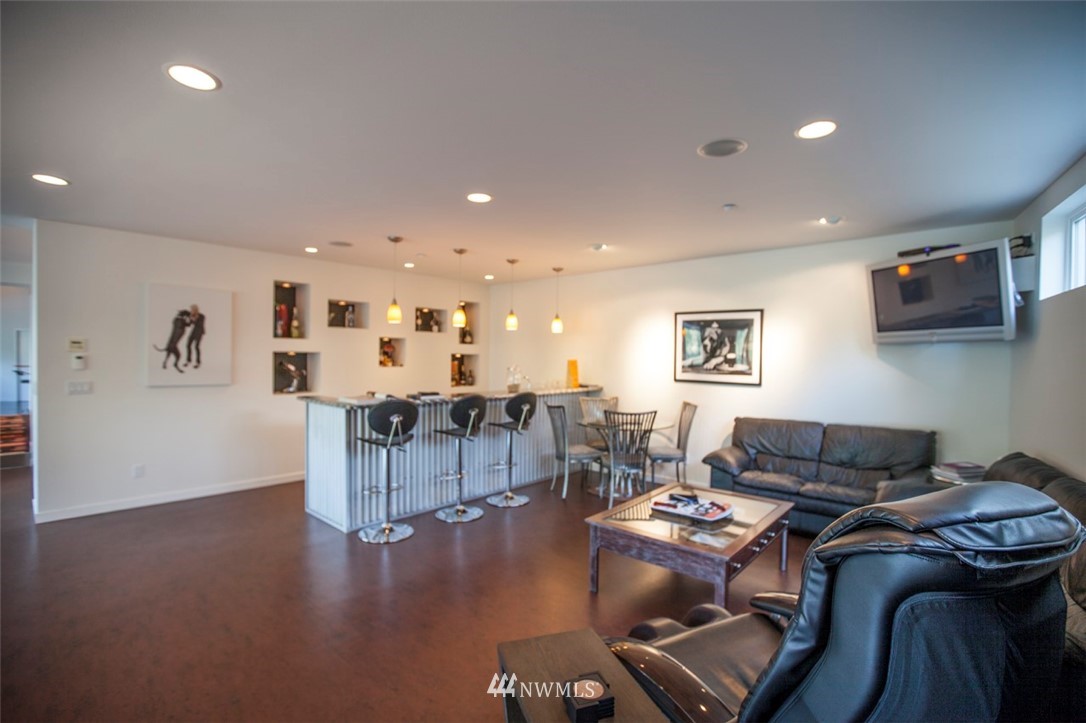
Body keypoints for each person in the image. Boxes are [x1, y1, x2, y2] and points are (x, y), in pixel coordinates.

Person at [185, 304, 205, 369]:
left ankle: (198, 362)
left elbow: (199, 324)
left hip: (199, 332)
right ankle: (188, 360)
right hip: (194, 332)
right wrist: (186, 319)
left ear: (196, 309)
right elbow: (189, 325)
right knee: (188, 345)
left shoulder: (202, 316)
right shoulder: (192, 316)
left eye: (192, 309)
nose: (191, 310)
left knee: (196, 346)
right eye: (191, 309)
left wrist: (193, 319)